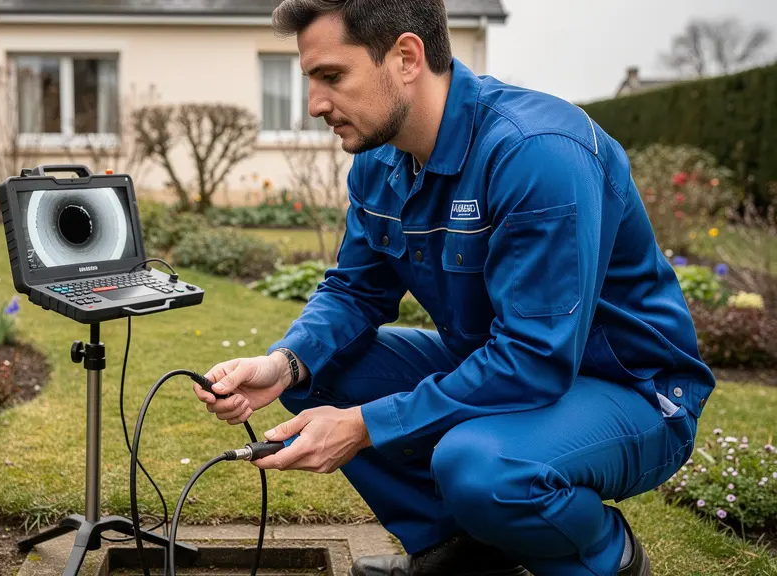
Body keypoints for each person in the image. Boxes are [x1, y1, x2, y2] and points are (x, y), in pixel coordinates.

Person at [192, 1, 715, 575]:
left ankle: (606, 557)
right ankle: (462, 556)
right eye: (310, 80)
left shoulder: (536, 151)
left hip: (632, 390)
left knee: (480, 468)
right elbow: (355, 290)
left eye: (332, 76)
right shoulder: (379, 161)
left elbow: (534, 359)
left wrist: (364, 425)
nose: (315, 104)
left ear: (406, 57)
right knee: (321, 373)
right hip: (504, 364)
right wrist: (284, 364)